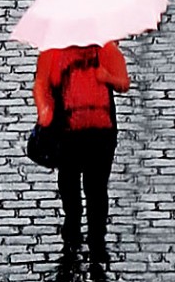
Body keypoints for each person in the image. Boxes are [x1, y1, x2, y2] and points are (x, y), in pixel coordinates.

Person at [32, 40, 130, 265]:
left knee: (95, 188)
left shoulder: (106, 50)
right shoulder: (53, 53)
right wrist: (44, 110)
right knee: (69, 182)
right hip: (67, 131)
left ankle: (97, 239)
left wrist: (107, 78)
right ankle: (73, 224)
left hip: (101, 130)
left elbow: (124, 82)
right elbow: (41, 84)